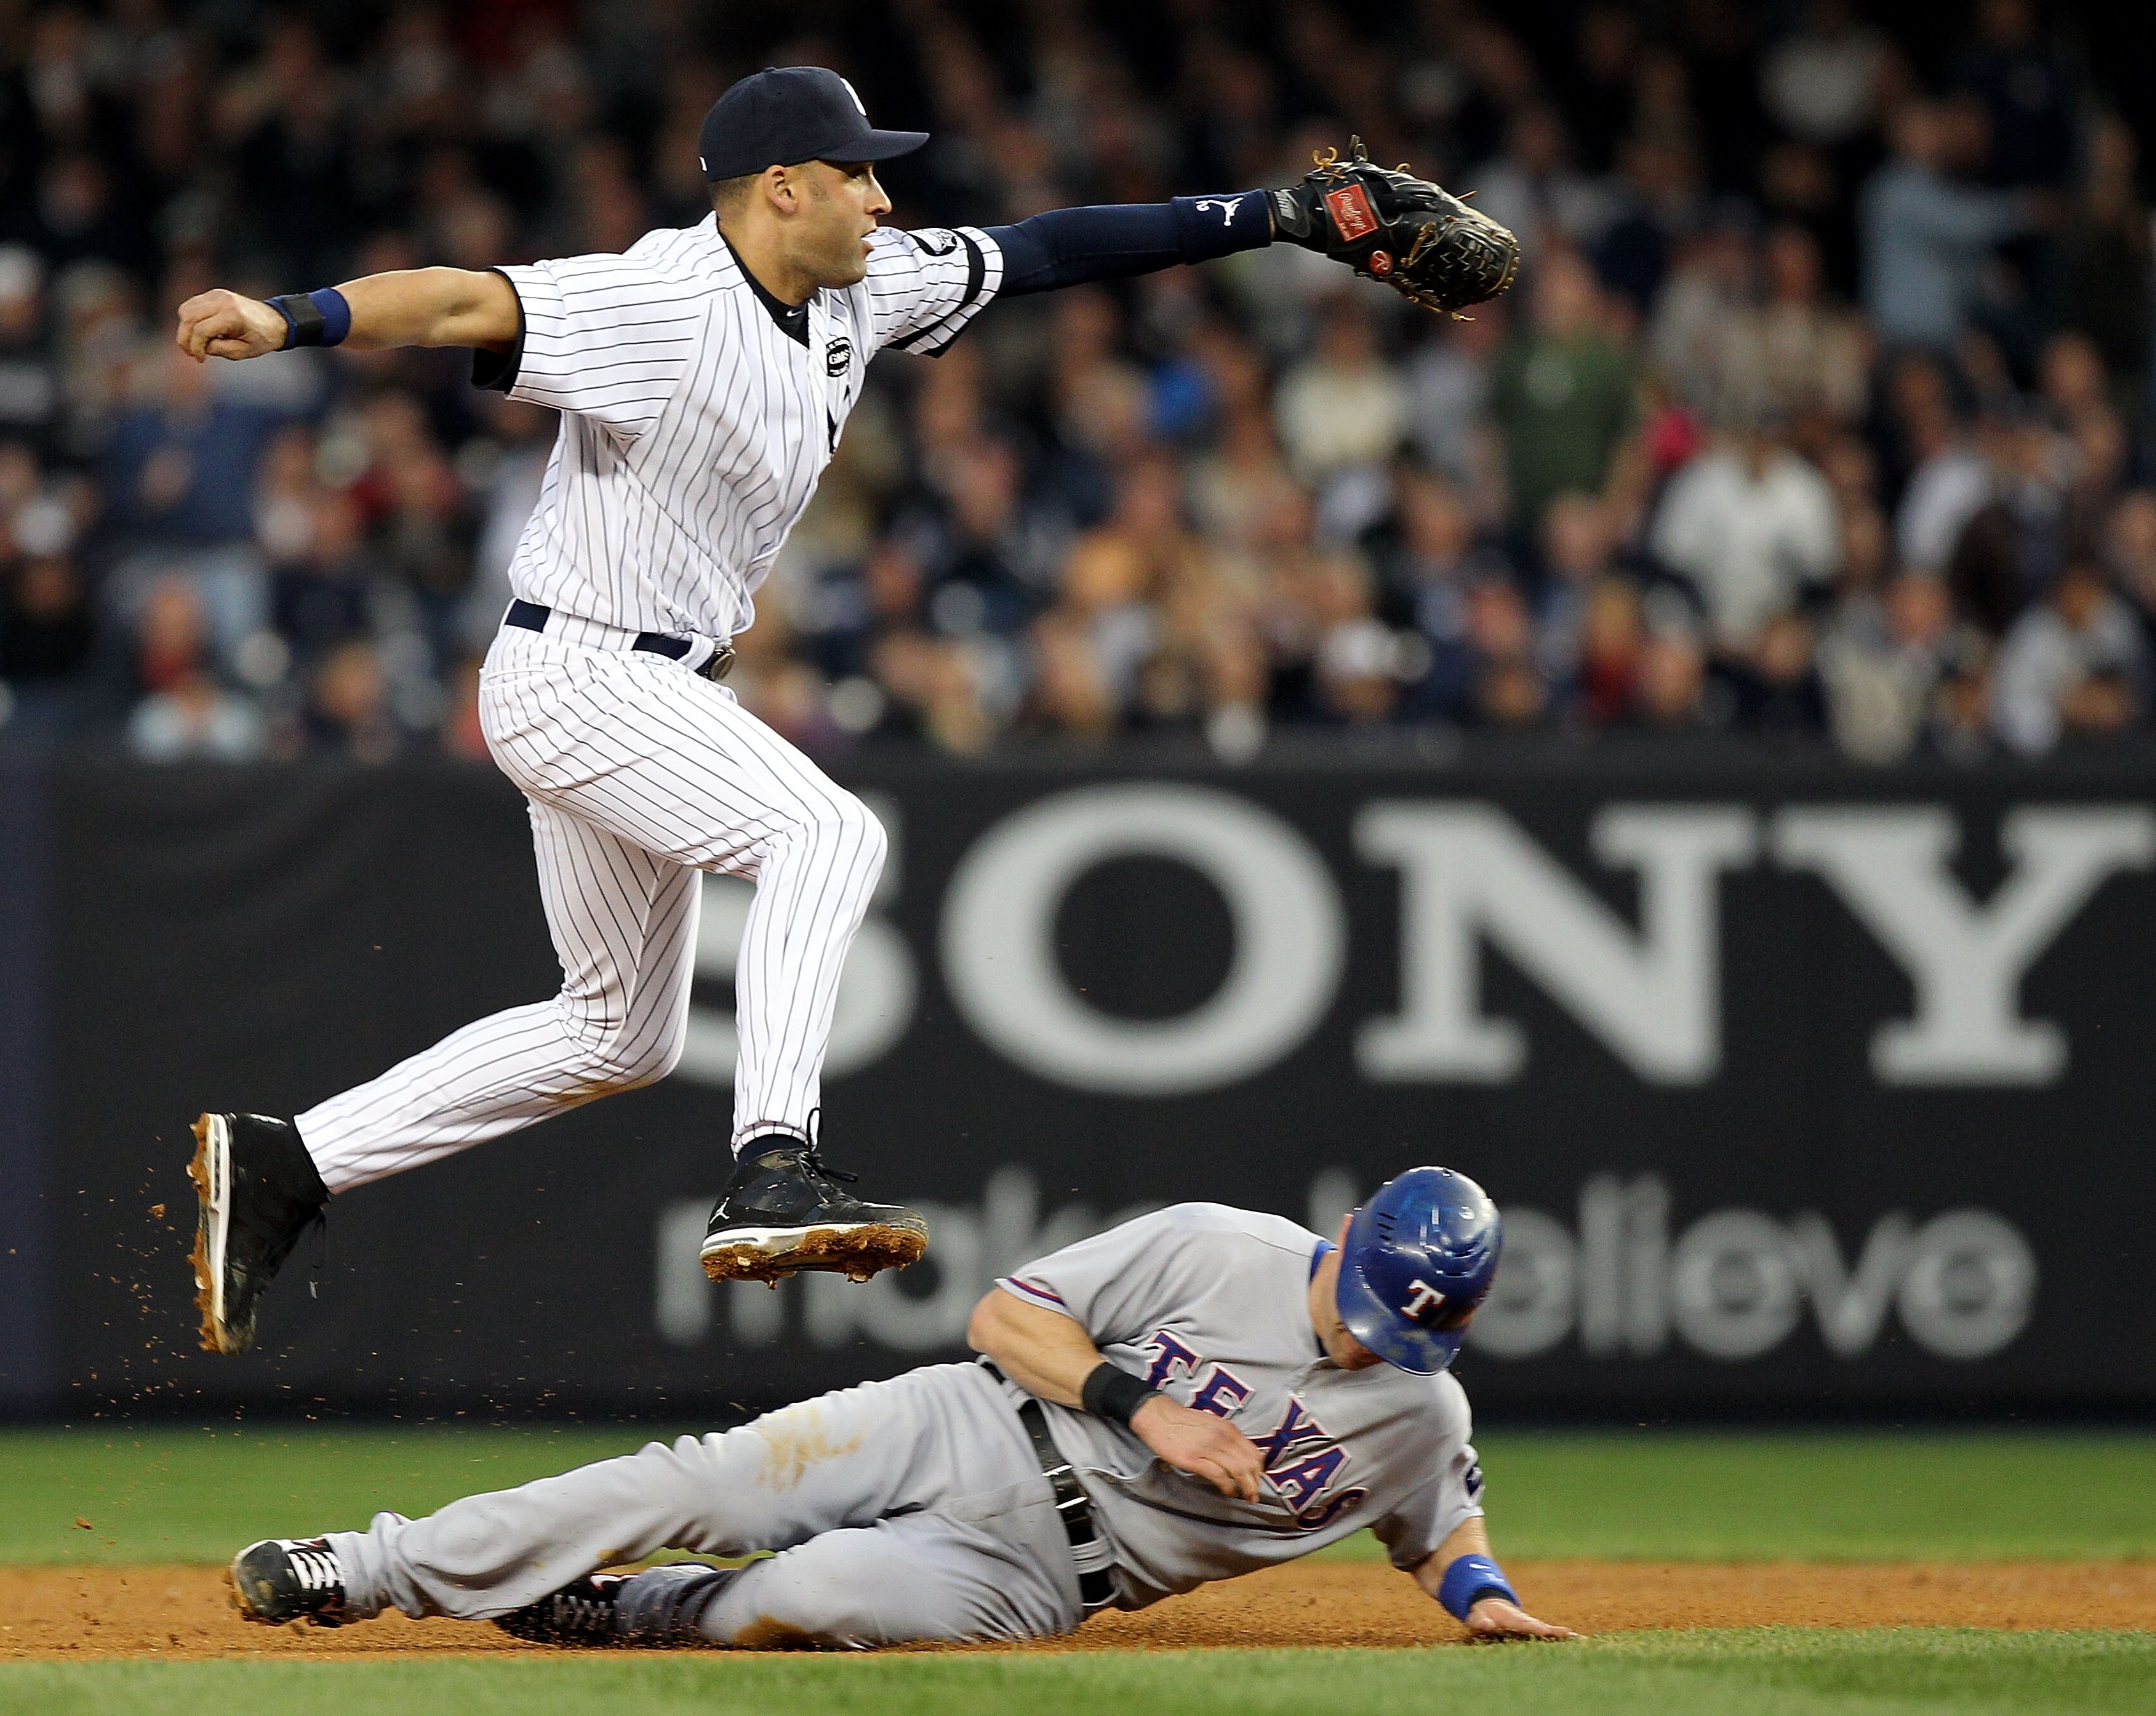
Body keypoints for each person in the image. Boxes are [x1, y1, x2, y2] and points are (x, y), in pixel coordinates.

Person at [170, 67, 1491, 1354]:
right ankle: (775, 1167)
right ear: (784, 186)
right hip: (581, 668)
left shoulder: (864, 288)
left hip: (646, 677)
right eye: (858, 171)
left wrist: (1271, 215)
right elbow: (463, 300)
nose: (881, 196)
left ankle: (293, 1161)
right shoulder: (659, 300)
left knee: (617, 1032)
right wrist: (290, 318)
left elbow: (1044, 250)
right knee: (829, 836)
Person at [227, 1167, 1575, 1651]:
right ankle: (368, 1565)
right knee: (702, 1485)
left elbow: (1438, 1525)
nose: (1368, 1339)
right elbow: (1002, 1317)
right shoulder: (1224, 1248)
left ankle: (627, 1612)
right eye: (1368, 1304)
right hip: (976, 1421)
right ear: (1347, 1232)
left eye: (1407, 1334)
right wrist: (1142, 1408)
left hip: (1038, 1577)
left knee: (803, 1605)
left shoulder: (1419, 1410)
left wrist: (1480, 1595)